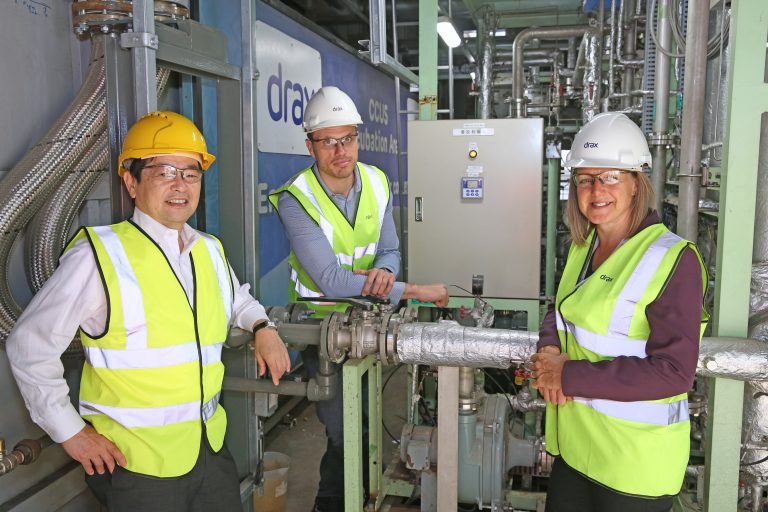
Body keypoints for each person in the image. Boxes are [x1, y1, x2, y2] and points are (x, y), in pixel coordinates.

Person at [7, 111, 291, 511]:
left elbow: (237, 299)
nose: (181, 185)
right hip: (134, 466)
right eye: (164, 172)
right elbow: (28, 347)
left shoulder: (207, 249)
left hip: (206, 450)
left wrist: (263, 326)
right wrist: (70, 432)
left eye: (191, 173)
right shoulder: (99, 256)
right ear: (131, 181)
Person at [268, 86, 448, 511]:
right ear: (309, 144)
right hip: (322, 326)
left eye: (347, 138)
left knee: (367, 422)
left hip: (370, 320)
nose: (340, 150)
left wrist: (384, 274)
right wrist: (412, 291)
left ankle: (360, 497)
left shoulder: (377, 181)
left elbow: (390, 250)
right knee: (345, 430)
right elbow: (330, 279)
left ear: (357, 139)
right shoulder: (296, 199)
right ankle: (332, 504)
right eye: (327, 141)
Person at [531, 112, 708, 512]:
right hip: (576, 452)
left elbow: (673, 372)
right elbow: (560, 315)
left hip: (634, 466)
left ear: (635, 183)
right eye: (584, 180)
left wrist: (567, 374)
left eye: (610, 177)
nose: (596, 191)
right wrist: (548, 353)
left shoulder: (674, 260)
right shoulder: (582, 247)